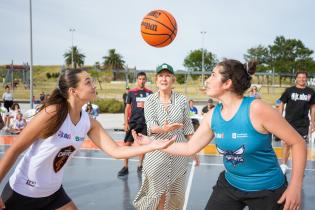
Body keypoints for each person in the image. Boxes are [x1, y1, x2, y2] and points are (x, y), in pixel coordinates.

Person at [133, 59, 306, 210]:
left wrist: (295, 186)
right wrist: (150, 142)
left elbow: (298, 143)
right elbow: (188, 148)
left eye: (213, 75)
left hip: (267, 189)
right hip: (231, 184)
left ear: (227, 83)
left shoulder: (257, 109)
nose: (207, 80)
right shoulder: (212, 116)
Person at [0, 69, 174, 210]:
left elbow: (117, 151)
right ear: (73, 91)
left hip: (53, 193)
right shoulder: (53, 113)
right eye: (88, 82)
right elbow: (15, 149)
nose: (93, 85)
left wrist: (153, 145)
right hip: (22, 193)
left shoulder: (88, 122)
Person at [133, 63, 199, 210]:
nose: (164, 79)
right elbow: (151, 126)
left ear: (173, 80)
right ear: (156, 80)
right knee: (157, 197)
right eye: (161, 76)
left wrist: (193, 150)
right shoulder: (150, 100)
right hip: (157, 153)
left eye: (167, 76)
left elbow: (188, 127)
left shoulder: (182, 100)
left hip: (179, 155)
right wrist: (163, 129)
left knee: (176, 198)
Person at [278, 71, 315, 174]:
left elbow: (313, 107)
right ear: (296, 79)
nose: (302, 79)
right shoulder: (289, 90)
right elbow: (281, 103)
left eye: (304, 77)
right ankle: (284, 165)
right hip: (288, 123)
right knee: (286, 144)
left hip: (303, 124)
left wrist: (313, 122)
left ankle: (299, 168)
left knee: (302, 147)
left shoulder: (311, 92)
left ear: (306, 79)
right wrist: (279, 117)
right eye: (300, 77)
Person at [117, 72, 153, 176]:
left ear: (146, 80)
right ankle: (125, 167)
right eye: (140, 79)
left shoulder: (150, 93)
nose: (142, 81)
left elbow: (153, 107)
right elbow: (127, 108)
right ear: (137, 80)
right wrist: (126, 123)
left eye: (143, 79)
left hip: (144, 123)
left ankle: (140, 166)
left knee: (143, 145)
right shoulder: (131, 92)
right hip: (133, 123)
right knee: (127, 144)